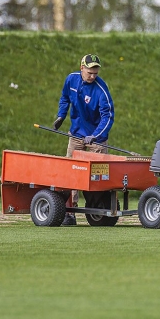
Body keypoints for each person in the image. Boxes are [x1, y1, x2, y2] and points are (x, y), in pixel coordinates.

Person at [54, 53, 114, 224]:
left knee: (98, 176)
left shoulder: (101, 90)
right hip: (76, 135)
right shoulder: (71, 80)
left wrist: (95, 136)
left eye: (96, 73)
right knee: (70, 174)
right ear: (82, 68)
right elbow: (65, 97)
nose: (93, 76)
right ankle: (69, 213)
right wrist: (61, 116)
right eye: (90, 72)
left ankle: (98, 211)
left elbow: (107, 117)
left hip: (97, 138)